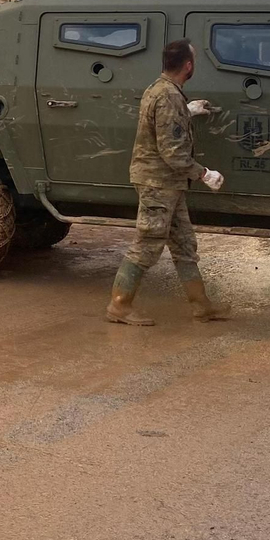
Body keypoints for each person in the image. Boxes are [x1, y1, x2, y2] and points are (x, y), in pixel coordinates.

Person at [107, 39, 229, 326]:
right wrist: (204, 174)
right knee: (148, 242)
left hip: (168, 184)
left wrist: (188, 111)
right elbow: (172, 151)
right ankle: (119, 305)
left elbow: (163, 126)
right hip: (157, 183)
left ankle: (201, 305)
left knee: (184, 244)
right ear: (188, 65)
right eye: (194, 59)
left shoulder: (163, 91)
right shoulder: (167, 96)